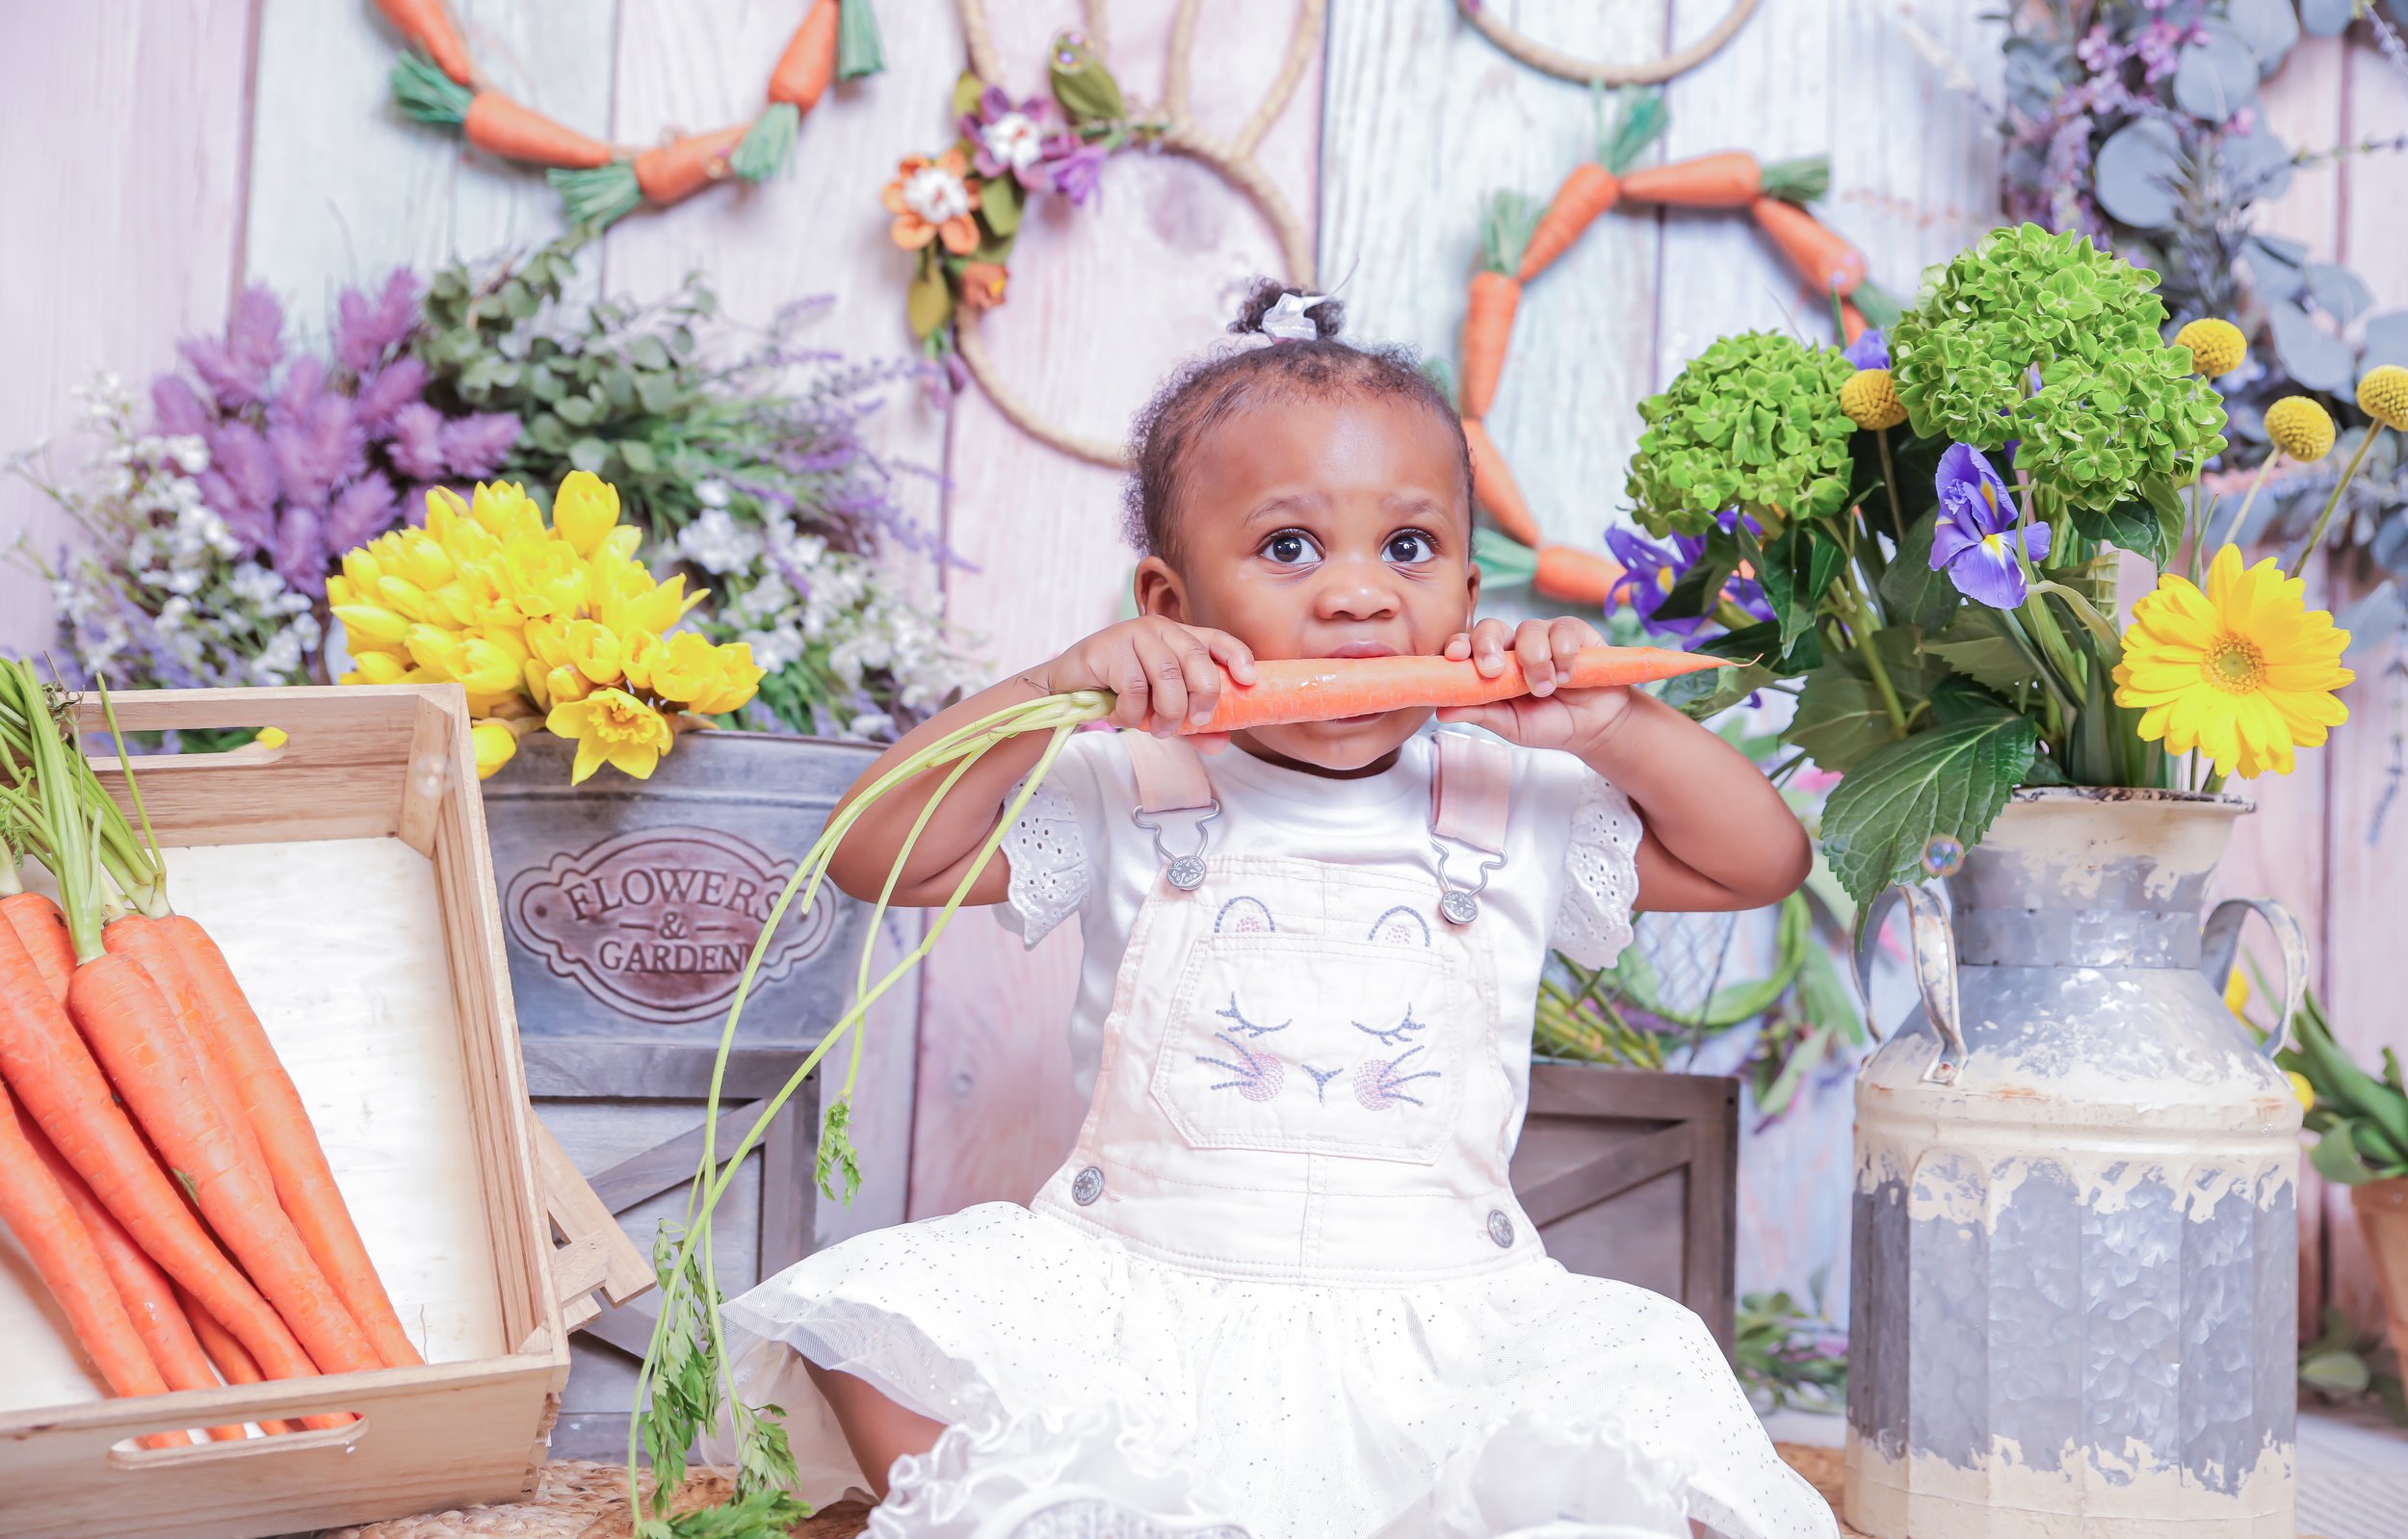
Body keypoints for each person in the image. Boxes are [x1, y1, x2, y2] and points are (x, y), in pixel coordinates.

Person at [723, 282, 1838, 1539]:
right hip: (1138, 1303)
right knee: (872, 1332)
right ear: (1167, 609)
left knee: (1646, 1418)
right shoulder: (1124, 782)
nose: (1359, 596)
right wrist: (1051, 688)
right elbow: (877, 854)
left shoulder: (1512, 798)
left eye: (1407, 548)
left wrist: (1613, 720)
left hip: (1445, 1327)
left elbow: (1761, 860)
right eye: (1290, 546)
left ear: (1470, 594)